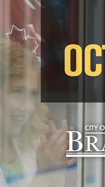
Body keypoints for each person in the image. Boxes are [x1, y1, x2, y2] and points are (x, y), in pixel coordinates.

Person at [0, 39, 75, 187]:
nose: (28, 106)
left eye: (33, 94)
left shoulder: (30, 146)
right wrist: (43, 176)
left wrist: (56, 170)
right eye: (17, 92)